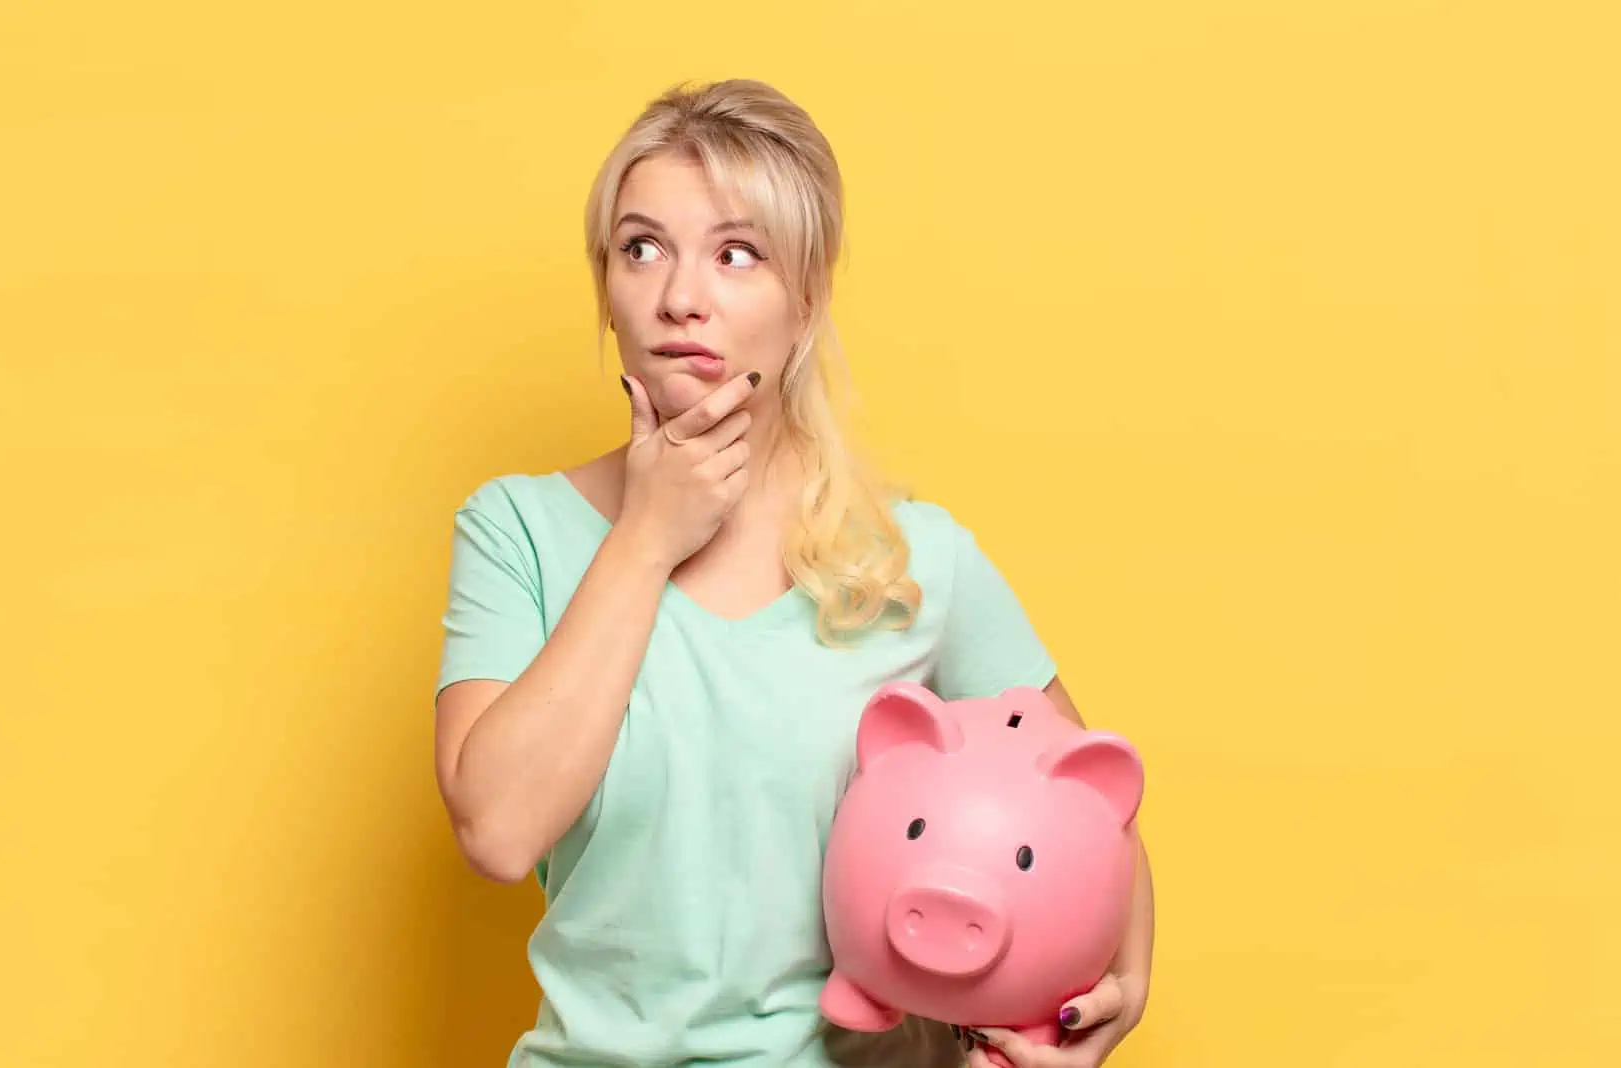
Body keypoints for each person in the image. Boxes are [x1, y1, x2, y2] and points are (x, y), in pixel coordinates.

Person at [430, 78, 1154, 1068]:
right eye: (641, 247)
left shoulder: (912, 559)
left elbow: (1090, 806)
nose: (679, 297)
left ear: (805, 296)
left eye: (737, 253)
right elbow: (498, 831)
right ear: (605, 283)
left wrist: (1121, 992)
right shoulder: (516, 530)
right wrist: (646, 537)